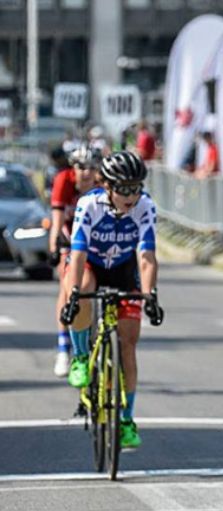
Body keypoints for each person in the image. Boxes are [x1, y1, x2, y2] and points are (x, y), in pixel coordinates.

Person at [64, 151, 165, 449]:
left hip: (123, 268)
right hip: (92, 264)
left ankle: (126, 420)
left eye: (136, 187)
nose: (131, 195)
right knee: (82, 286)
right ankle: (81, 357)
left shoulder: (145, 206)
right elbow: (79, 254)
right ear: (106, 185)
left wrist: (150, 295)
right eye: (123, 188)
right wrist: (73, 296)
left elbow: (146, 257)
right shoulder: (88, 205)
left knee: (128, 345)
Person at [49, 145, 102, 377]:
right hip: (70, 236)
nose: (86, 173)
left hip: (97, 239)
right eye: (81, 167)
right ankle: (64, 348)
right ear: (73, 167)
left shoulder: (103, 184)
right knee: (68, 285)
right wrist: (54, 245)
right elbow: (57, 218)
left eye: (91, 167)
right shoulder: (64, 180)